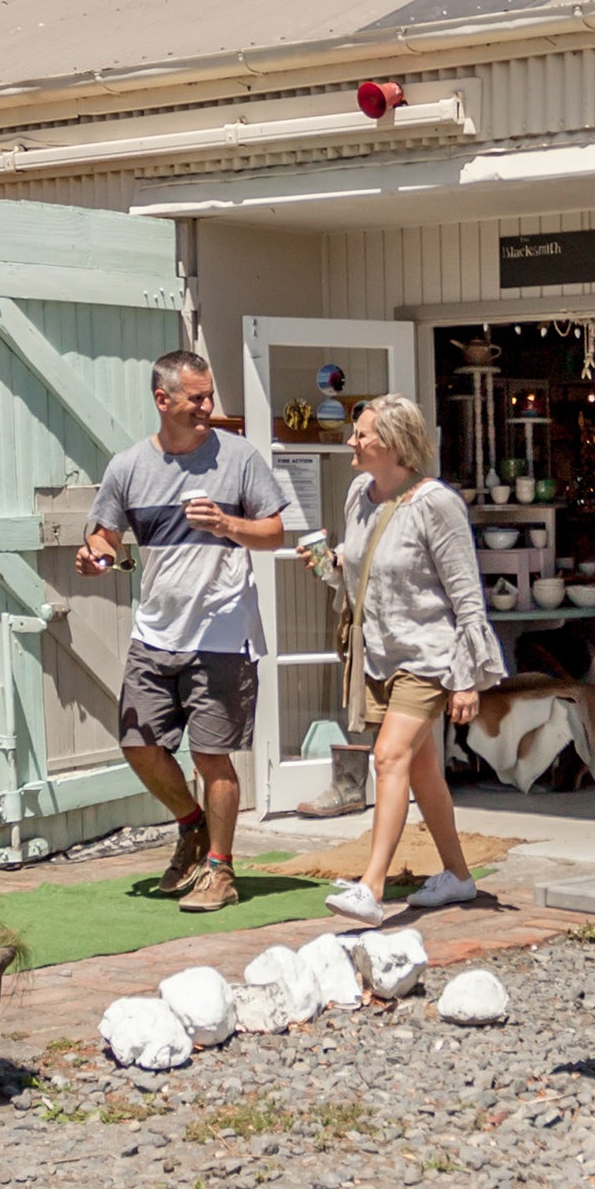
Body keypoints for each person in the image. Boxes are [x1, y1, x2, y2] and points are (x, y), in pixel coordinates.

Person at [80, 349, 313, 910]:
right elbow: (104, 538)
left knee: (213, 757)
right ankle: (191, 827)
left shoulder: (239, 459)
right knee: (138, 744)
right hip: (155, 633)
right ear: (163, 401)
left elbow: (276, 534)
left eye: (209, 395)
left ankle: (221, 872)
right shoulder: (128, 467)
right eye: (197, 398)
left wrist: (229, 524)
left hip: (223, 633)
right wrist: (97, 558)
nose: (209, 406)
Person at [324, 392, 500, 923]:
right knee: (424, 772)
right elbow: (360, 567)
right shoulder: (359, 493)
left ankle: (371, 888)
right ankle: (459, 877)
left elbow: (467, 595)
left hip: (427, 655)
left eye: (363, 434)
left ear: (395, 445)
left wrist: (466, 679)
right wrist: (329, 564)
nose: (352, 441)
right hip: (378, 653)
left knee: (388, 757)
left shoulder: (436, 503)